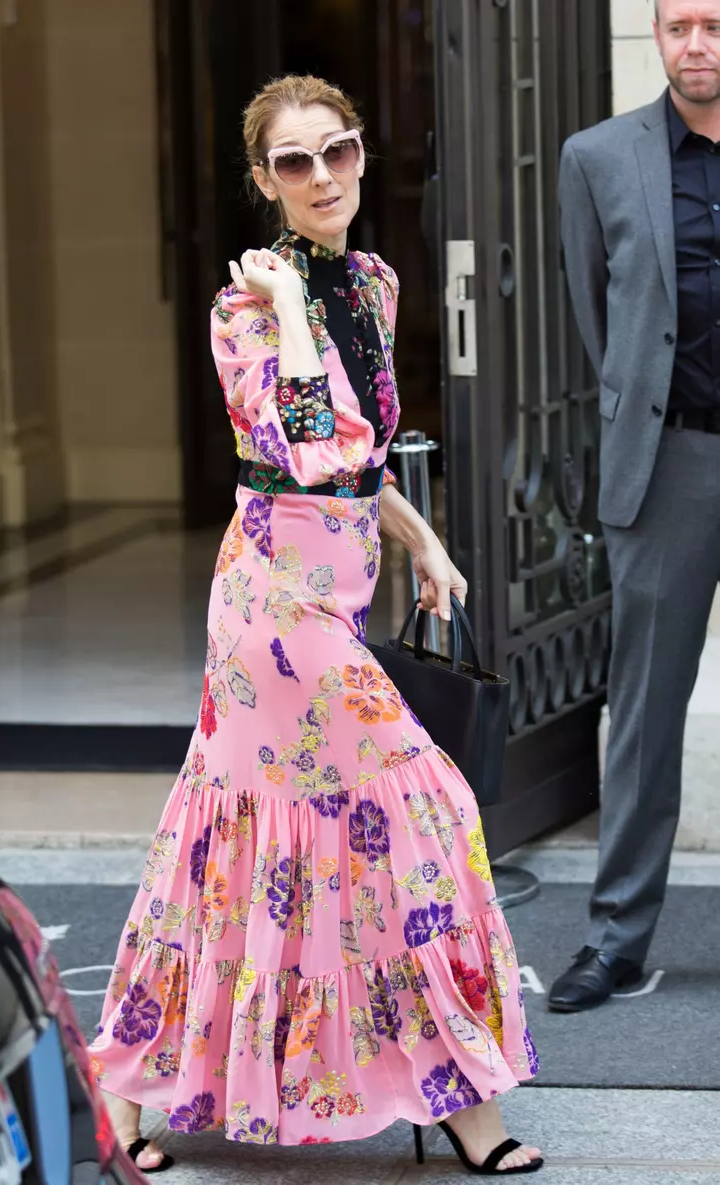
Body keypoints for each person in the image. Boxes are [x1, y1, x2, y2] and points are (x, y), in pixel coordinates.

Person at [89, 74, 542, 1176]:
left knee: (251, 842)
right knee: (419, 806)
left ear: (361, 153)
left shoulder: (374, 284)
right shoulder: (244, 310)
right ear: (266, 180)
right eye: (295, 161)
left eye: (337, 150)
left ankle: (130, 1097)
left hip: (334, 590)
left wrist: (419, 540)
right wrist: (289, 304)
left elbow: (362, 460)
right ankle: (462, 1103)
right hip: (272, 610)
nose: (323, 175)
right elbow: (306, 443)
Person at [551, 0, 720, 1013]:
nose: (695, 45)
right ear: (657, 36)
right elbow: (597, 319)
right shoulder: (597, 158)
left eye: (713, 25)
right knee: (645, 712)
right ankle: (615, 937)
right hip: (666, 467)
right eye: (677, 27)